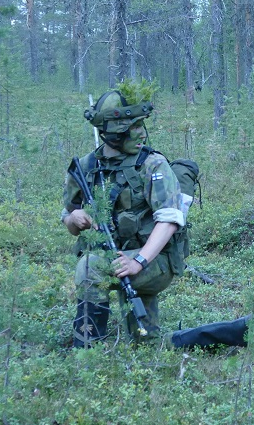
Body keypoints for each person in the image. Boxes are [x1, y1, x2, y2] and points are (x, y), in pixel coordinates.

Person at [62, 90, 187, 346]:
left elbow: (170, 221)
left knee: (90, 268)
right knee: (148, 345)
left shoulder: (153, 165)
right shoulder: (86, 166)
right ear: (111, 133)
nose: (141, 133)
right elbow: (68, 216)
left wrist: (138, 262)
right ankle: (90, 348)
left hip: (154, 260)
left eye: (142, 125)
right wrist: (75, 219)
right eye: (133, 127)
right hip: (116, 256)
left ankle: (85, 350)